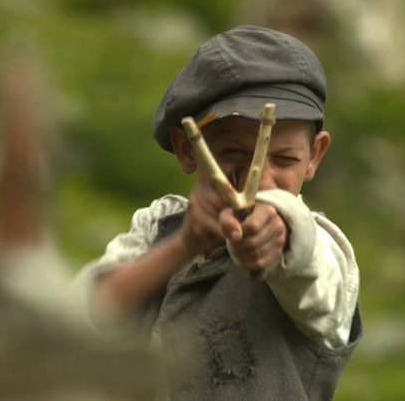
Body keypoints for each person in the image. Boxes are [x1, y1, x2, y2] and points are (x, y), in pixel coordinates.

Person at [76, 25, 362, 401]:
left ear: (315, 156)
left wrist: (279, 232)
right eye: (232, 156)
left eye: (285, 159)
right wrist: (184, 245)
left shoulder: (321, 249)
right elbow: (80, 317)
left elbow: (307, 266)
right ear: (187, 149)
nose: (260, 181)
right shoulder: (158, 229)